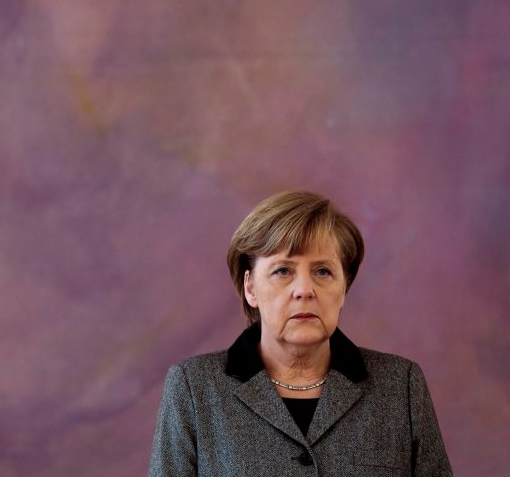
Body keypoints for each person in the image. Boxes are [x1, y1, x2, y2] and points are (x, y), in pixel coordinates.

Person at [148, 191, 452, 476]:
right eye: (283, 271)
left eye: (323, 271)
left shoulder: (401, 386)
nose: (304, 290)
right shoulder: (193, 388)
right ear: (250, 287)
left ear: (344, 287)